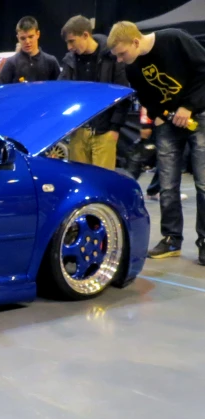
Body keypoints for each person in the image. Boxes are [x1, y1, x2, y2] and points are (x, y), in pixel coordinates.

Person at [109, 21, 205, 264]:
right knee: (167, 185)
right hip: (169, 124)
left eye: (122, 53)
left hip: (199, 116)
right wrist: (160, 115)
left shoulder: (174, 39)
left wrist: (188, 107)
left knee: (203, 183)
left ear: (135, 41)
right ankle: (172, 239)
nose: (120, 60)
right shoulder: (132, 69)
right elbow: (146, 98)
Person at [59, 15, 129, 170]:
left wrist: (114, 129)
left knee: (103, 185)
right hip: (78, 131)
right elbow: (61, 93)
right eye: (67, 42)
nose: (69, 47)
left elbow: (123, 93)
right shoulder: (70, 61)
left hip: (105, 132)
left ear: (85, 35)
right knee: (80, 182)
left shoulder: (111, 57)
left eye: (72, 41)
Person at [0, 16, 60, 84]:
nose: (27, 41)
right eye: (23, 38)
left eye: (30, 37)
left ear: (38, 34)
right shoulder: (11, 63)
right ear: (18, 38)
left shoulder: (50, 62)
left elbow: (60, 89)